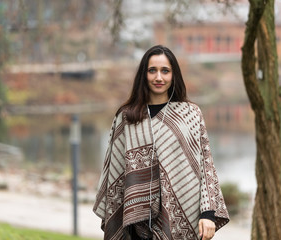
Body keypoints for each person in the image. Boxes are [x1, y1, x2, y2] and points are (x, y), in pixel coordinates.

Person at [93, 45, 229, 240]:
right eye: (152, 71)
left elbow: (205, 164)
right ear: (144, 75)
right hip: (135, 225)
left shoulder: (190, 114)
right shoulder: (126, 117)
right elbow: (113, 171)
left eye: (165, 71)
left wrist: (207, 213)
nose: (159, 77)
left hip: (181, 220)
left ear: (174, 75)